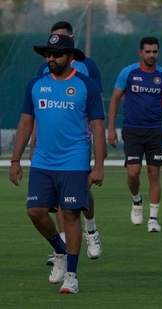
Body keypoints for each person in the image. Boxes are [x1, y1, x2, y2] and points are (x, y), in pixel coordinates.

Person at [9, 34, 105, 294]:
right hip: (42, 161)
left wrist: (98, 165)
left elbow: (98, 127)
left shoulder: (86, 86)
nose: (51, 58)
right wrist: (15, 159)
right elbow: (26, 123)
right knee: (35, 211)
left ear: (70, 57)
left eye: (57, 54)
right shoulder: (36, 85)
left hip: (74, 161)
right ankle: (60, 251)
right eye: (48, 54)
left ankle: (71, 276)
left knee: (70, 214)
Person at [33, 20, 104, 263]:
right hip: (49, 149)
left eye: (61, 42)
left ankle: (91, 229)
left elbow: (96, 108)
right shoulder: (44, 72)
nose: (52, 53)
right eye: (51, 44)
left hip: (77, 143)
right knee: (59, 206)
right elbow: (39, 111)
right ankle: (62, 250)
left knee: (80, 195)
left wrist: (99, 157)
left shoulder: (88, 68)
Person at [107, 37, 162, 233]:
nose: (151, 55)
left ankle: (153, 219)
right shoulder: (128, 72)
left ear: (158, 53)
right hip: (132, 129)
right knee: (133, 173)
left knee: (154, 173)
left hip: (155, 130)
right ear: (140, 53)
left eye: (155, 51)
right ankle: (136, 199)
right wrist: (111, 128)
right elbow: (114, 99)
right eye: (147, 51)